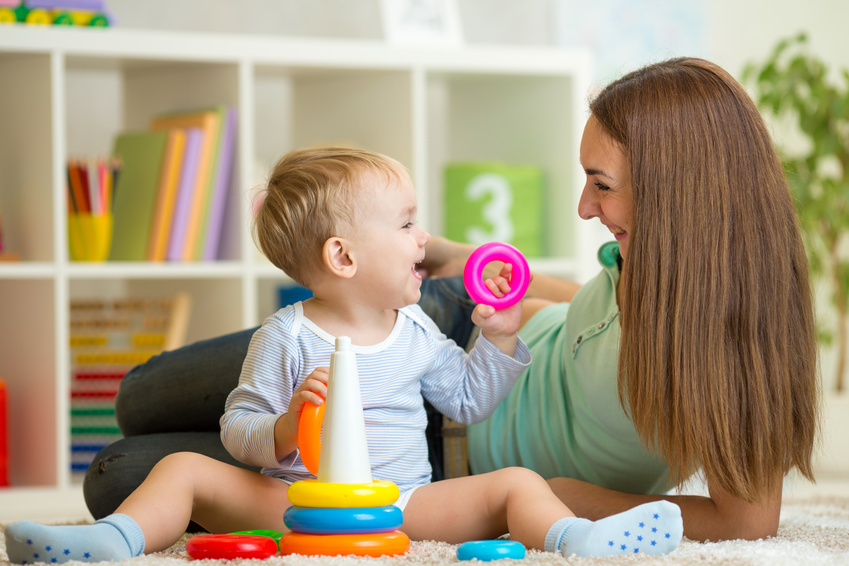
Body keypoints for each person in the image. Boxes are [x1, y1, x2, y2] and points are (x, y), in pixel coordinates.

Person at [77, 55, 814, 544]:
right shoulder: (638, 255)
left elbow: (745, 523)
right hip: (438, 328)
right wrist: (457, 264)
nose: (585, 209)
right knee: (142, 392)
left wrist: (563, 497)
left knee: (120, 474)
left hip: (442, 452)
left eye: (603, 184)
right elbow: (577, 308)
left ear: (680, 188)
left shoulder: (735, 335)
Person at [4, 147, 683, 564]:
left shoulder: (414, 329)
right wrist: (282, 424)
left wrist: (500, 335)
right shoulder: (288, 336)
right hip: (299, 504)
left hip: (403, 508)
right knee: (183, 467)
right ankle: (112, 542)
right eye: (408, 223)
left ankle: (576, 542)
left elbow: (469, 400)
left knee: (516, 486)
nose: (425, 239)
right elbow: (239, 431)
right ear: (343, 256)